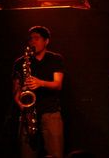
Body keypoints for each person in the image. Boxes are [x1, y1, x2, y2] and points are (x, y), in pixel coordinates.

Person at [12, 25, 65, 158]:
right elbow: (16, 90)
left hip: (50, 112)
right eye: (30, 39)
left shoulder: (55, 59)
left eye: (37, 38)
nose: (33, 42)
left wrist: (40, 83)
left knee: (56, 153)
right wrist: (22, 104)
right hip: (28, 114)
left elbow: (58, 85)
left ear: (46, 41)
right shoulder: (20, 62)